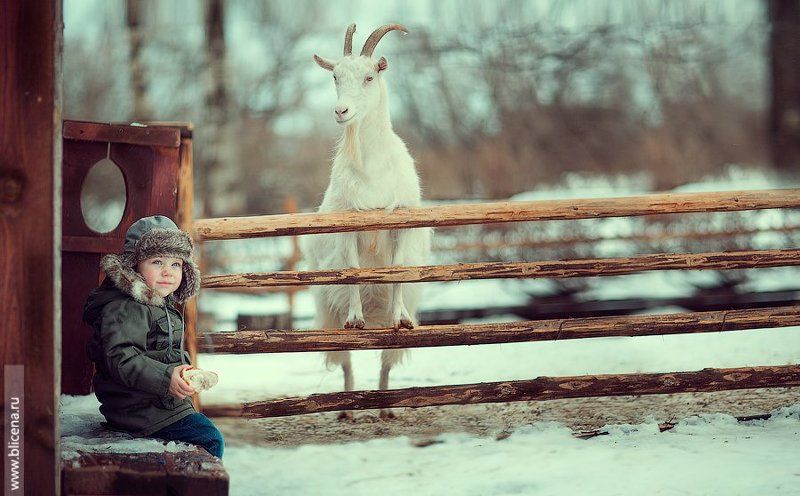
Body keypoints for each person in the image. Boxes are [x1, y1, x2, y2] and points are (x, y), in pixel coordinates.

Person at [83, 215, 224, 459]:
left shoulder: (157, 301)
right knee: (209, 438)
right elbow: (121, 358)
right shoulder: (127, 306)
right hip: (136, 409)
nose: (168, 272)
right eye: (157, 261)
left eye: (176, 264)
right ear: (134, 265)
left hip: (154, 404)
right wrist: (166, 377)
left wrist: (178, 372)